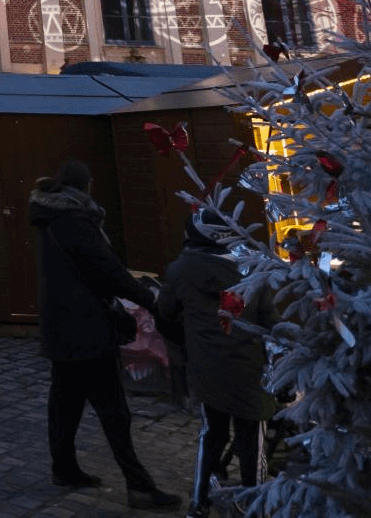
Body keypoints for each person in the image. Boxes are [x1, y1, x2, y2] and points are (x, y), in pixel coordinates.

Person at [30, 160, 180, 510]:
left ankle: (64, 467)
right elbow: (105, 269)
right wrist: (150, 298)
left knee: (64, 403)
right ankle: (139, 486)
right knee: (113, 409)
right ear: (87, 186)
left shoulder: (47, 216)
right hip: (86, 327)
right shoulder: (75, 219)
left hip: (60, 323)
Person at [157, 211, 277, 517]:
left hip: (207, 364)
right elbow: (270, 322)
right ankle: (254, 506)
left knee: (212, 432)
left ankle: (199, 503)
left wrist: (189, 344)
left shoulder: (180, 269)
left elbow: (166, 315)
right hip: (249, 367)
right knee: (253, 440)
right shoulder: (254, 268)